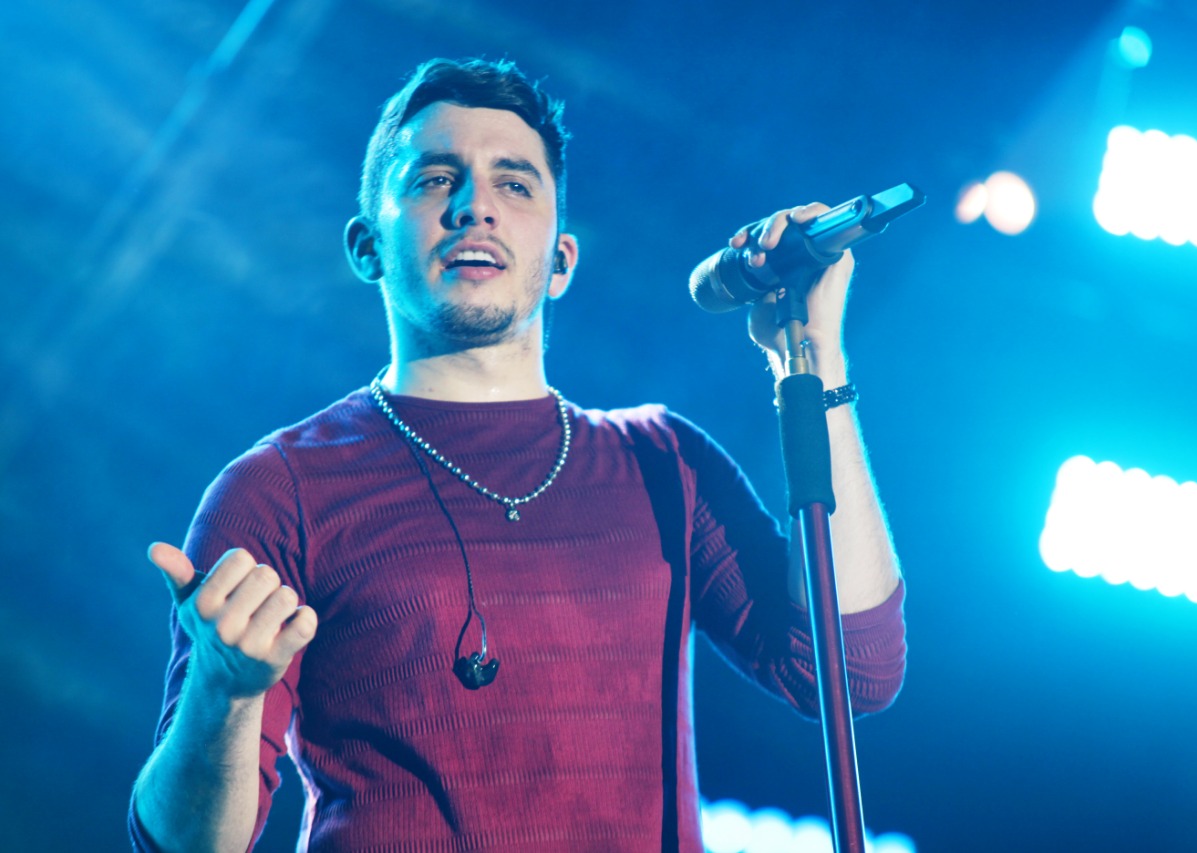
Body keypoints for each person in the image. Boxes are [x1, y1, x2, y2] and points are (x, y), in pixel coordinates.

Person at [129, 57, 906, 852]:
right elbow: (183, 845)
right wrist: (223, 695)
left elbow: (854, 670)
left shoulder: (662, 461)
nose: (475, 206)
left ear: (561, 260)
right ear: (367, 246)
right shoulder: (279, 488)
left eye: (515, 183)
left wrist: (816, 358)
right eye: (435, 180)